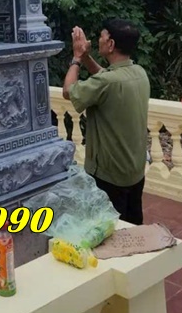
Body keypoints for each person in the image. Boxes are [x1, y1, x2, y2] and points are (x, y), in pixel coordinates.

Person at [62, 19, 150, 225]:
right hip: (134, 170)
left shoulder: (107, 82)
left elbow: (68, 91)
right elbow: (104, 75)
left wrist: (76, 59)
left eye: (102, 37)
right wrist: (86, 57)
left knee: (108, 229)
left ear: (111, 44)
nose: (98, 40)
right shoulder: (139, 72)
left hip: (109, 174)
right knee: (132, 224)